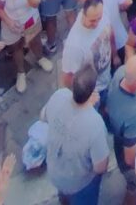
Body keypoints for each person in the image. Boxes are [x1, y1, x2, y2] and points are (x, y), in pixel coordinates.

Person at [43, 64, 110, 205]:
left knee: (64, 198)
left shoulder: (59, 96)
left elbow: (43, 116)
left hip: (55, 173)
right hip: (79, 183)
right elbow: (100, 167)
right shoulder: (95, 124)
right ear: (92, 91)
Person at [0, 0, 53, 94]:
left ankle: (40, 58)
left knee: (35, 41)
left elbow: (35, 3)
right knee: (16, 47)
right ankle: (21, 73)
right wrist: (9, 22)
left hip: (29, 19)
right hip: (12, 23)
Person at [105, 55, 136, 203]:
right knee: (135, 187)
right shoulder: (133, 115)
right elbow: (130, 158)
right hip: (135, 157)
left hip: (119, 139)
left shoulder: (120, 73)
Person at [61, 0, 115, 102]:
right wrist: (76, 98)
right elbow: (68, 76)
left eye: (99, 18)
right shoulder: (74, 46)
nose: (96, 23)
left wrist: (115, 55)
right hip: (92, 93)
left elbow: (111, 33)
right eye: (92, 20)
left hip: (107, 77)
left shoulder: (101, 13)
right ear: (83, 14)